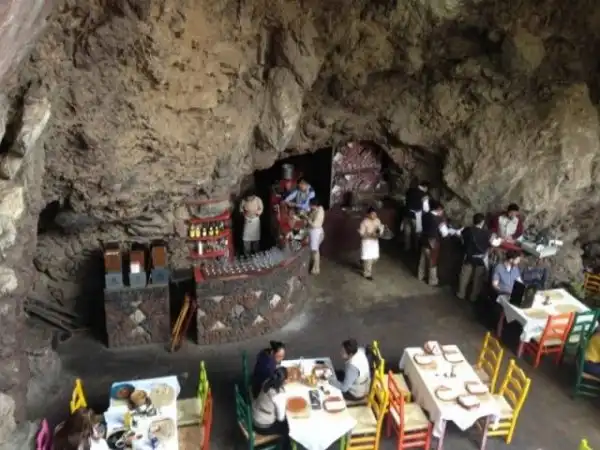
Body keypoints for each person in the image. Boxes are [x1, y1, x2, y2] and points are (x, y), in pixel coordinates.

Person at [418, 201, 461, 286]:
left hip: (424, 239)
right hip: (433, 242)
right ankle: (432, 281)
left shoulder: (425, 215)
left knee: (422, 259)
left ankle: (420, 275)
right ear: (439, 209)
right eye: (442, 211)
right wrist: (452, 232)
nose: (442, 212)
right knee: (432, 261)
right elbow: (445, 233)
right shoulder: (439, 219)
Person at [457, 213, 496, 302]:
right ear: (482, 222)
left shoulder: (467, 230)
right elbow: (493, 244)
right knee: (478, 279)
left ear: (473, 220)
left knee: (464, 276)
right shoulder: (487, 233)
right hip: (481, 258)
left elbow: (461, 238)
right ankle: (473, 297)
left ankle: (461, 294)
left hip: (469, 256)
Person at [252, 367, 290, 438]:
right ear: (284, 381)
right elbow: (280, 418)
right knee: (287, 428)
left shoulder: (267, 381)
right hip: (262, 427)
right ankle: (284, 443)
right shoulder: (278, 395)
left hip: (254, 417)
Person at [402, 181, 430, 251]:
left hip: (406, 214)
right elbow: (426, 209)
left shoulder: (409, 190)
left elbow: (405, 201)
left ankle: (407, 248)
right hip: (416, 216)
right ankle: (416, 248)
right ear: (425, 187)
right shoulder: (424, 195)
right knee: (417, 233)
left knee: (407, 233)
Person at [358, 207, 385, 280]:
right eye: (372, 214)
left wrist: (381, 231)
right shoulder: (364, 222)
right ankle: (367, 274)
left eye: (375, 214)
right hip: (367, 242)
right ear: (368, 214)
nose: (374, 215)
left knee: (375, 258)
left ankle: (363, 262)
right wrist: (370, 235)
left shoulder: (378, 220)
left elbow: (380, 229)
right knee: (368, 259)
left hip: (374, 242)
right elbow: (362, 234)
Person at [307, 198, 325, 275]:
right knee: (314, 251)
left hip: (316, 233)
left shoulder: (319, 212)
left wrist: (307, 219)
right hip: (315, 232)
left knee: (315, 251)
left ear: (313, 205)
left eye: (310, 205)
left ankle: (316, 269)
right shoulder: (315, 210)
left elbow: (315, 225)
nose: (309, 206)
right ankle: (314, 266)